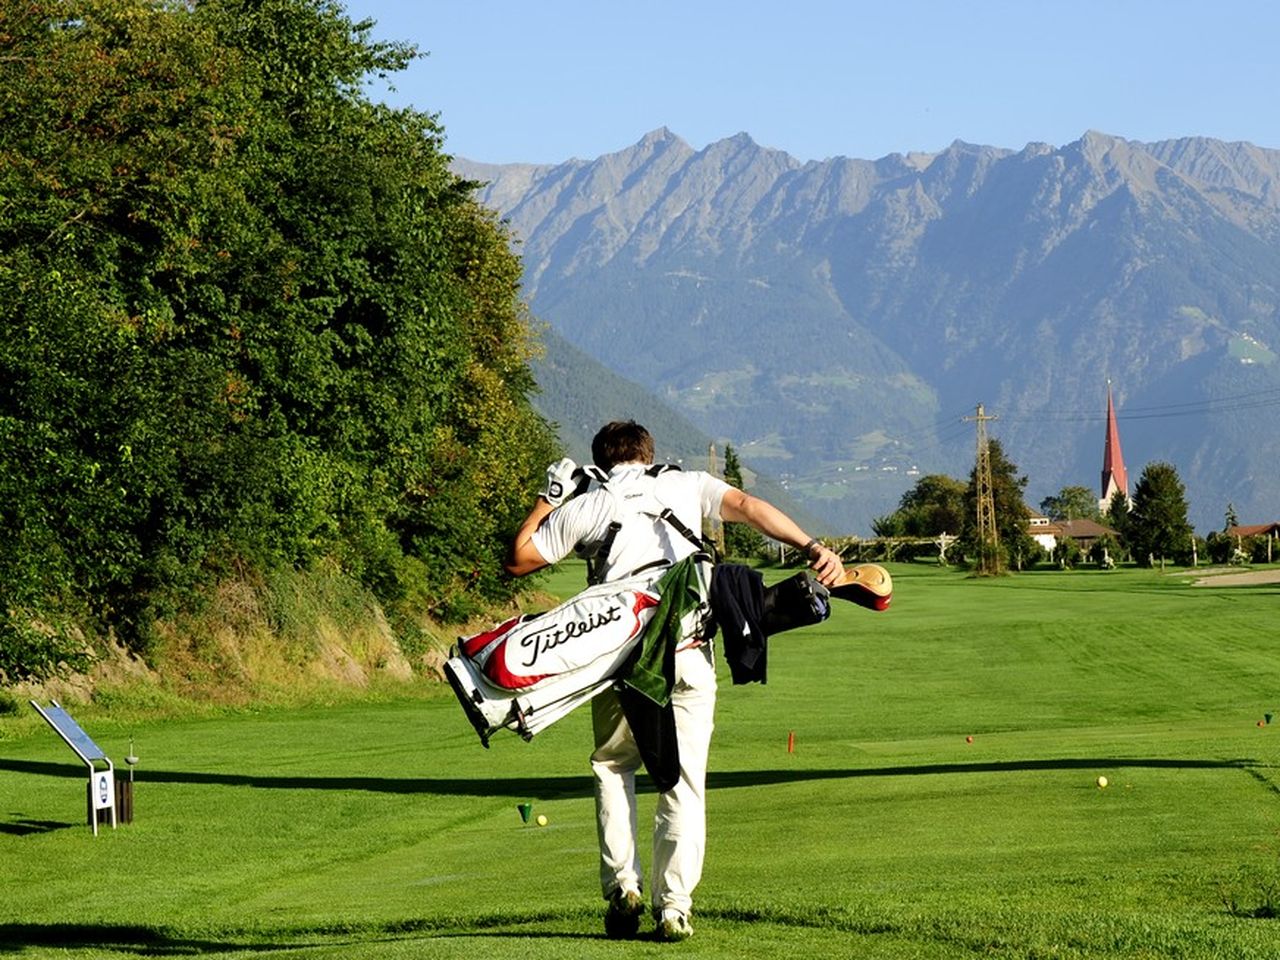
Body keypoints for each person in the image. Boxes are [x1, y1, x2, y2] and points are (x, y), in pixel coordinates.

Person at [504, 420, 845, 942]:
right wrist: (811, 545)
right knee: (683, 781)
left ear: (601, 460)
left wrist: (549, 498)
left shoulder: (588, 504)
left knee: (614, 766)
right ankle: (674, 908)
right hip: (689, 652)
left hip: (619, 662)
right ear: (648, 454)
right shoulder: (685, 484)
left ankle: (623, 889)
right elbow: (752, 509)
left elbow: (519, 558)